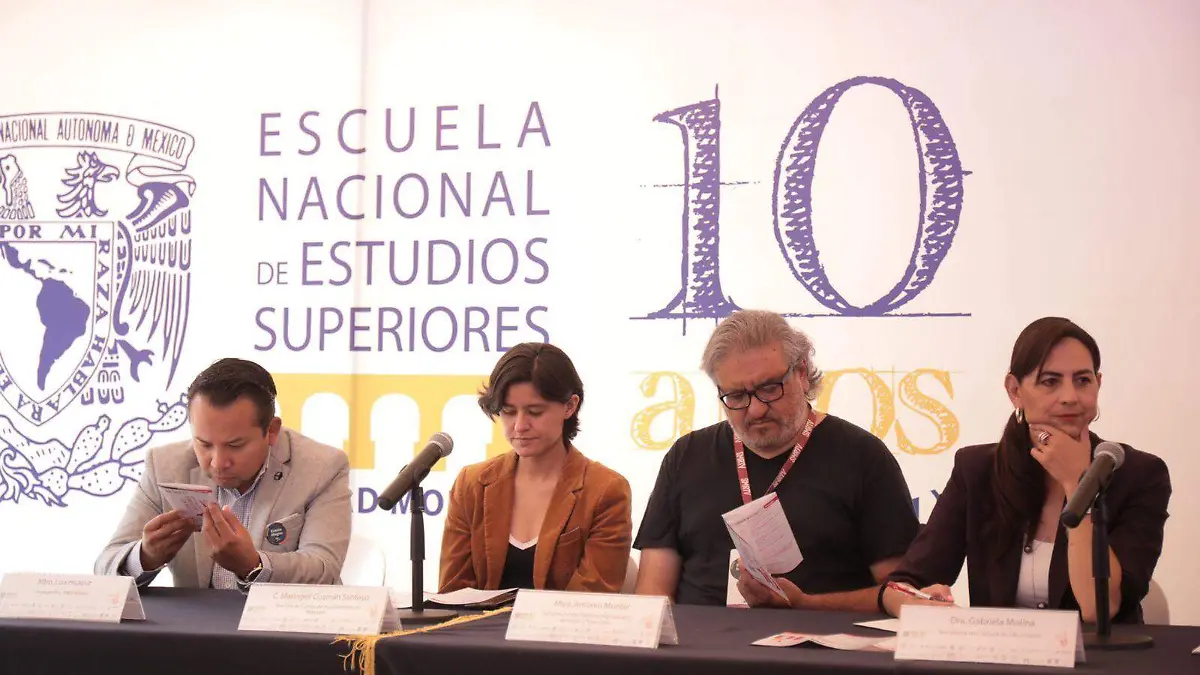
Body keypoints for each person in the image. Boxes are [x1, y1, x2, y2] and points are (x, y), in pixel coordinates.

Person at [883, 317, 1171, 624]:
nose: (1070, 396)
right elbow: (901, 586)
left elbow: (1098, 609)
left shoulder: (1139, 475)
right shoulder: (977, 470)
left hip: (1097, 654)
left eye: (1083, 380)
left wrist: (1077, 484)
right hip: (997, 652)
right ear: (1015, 390)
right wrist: (918, 603)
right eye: (1050, 381)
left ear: (1098, 385)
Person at [634, 309, 920, 608]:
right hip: (699, 636)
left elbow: (900, 594)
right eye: (736, 396)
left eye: (769, 388)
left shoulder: (863, 457)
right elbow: (652, 595)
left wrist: (805, 604)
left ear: (802, 373)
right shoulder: (686, 456)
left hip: (819, 635)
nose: (756, 410)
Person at [95, 358, 352, 590]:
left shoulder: (322, 468)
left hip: (283, 626)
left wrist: (254, 566)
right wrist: (144, 557)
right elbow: (106, 564)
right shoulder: (163, 466)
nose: (218, 463)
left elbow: (324, 569)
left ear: (271, 431)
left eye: (235, 445)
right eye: (203, 444)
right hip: (196, 626)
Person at [439, 342, 633, 593]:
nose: (520, 425)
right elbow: (453, 593)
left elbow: (589, 600)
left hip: (566, 620)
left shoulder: (605, 490)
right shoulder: (472, 483)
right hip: (476, 621)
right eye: (508, 411)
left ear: (570, 406)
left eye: (535, 411)